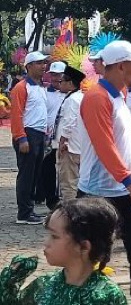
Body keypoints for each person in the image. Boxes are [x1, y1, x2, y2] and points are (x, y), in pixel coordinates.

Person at [76, 40, 131, 305]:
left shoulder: (121, 96)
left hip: (124, 188)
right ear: (121, 66)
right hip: (97, 193)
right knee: (90, 260)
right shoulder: (96, 97)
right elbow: (104, 146)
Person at [0, 198, 127, 305]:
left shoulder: (106, 295)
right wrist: (9, 281)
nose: (46, 243)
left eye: (54, 236)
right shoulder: (43, 286)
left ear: (83, 247)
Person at [11, 51, 50, 224]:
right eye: (39, 63)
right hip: (28, 133)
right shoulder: (21, 87)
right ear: (29, 66)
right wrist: (21, 137)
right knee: (26, 174)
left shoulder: (40, 86)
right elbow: (16, 114)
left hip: (39, 134)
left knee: (34, 174)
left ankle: (30, 209)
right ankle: (24, 214)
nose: (43, 66)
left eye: (44, 63)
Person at [37, 61, 66, 210]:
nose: (56, 78)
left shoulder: (71, 94)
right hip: (49, 138)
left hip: (66, 139)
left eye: (59, 74)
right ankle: (50, 199)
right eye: (53, 75)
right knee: (47, 168)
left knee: (65, 171)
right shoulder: (44, 93)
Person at [55, 65, 85, 203]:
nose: (59, 84)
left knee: (68, 183)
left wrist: (63, 141)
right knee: (77, 181)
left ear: (70, 83)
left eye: (62, 81)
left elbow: (69, 122)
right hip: (80, 145)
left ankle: (70, 212)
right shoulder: (80, 97)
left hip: (70, 146)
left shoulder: (73, 100)